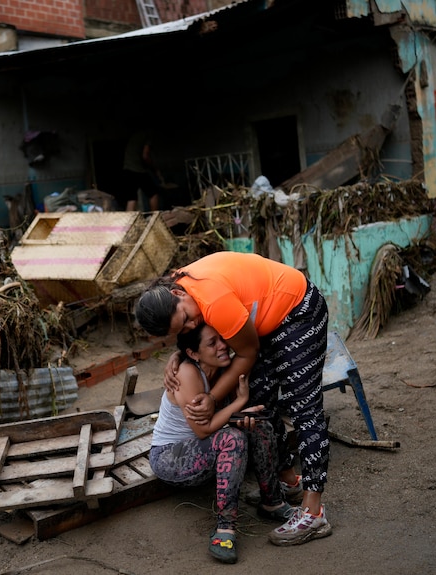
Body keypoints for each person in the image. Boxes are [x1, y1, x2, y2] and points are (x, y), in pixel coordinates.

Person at [135, 251, 332, 547]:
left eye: (187, 319)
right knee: (260, 400)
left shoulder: (212, 303)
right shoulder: (181, 293)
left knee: (304, 407)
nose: (191, 326)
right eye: (182, 330)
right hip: (270, 320)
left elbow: (248, 352)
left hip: (297, 310)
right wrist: (180, 353)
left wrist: (212, 397)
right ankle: (289, 482)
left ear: (177, 293)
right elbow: (198, 336)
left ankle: (313, 511)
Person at [149, 323, 293, 564]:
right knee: (232, 438)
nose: (222, 346)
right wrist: (241, 402)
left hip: (203, 446)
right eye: (212, 343)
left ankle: (272, 501)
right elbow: (203, 429)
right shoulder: (187, 373)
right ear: (194, 353)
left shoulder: (222, 368)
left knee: (259, 425)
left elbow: (216, 421)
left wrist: (241, 417)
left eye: (221, 339)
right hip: (170, 457)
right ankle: (225, 530)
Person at [120, 130, 163, 211]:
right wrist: (154, 169)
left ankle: (128, 222)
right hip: (138, 170)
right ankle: (155, 218)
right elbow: (145, 155)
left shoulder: (135, 136)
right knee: (153, 194)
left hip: (127, 169)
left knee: (131, 198)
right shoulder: (147, 135)